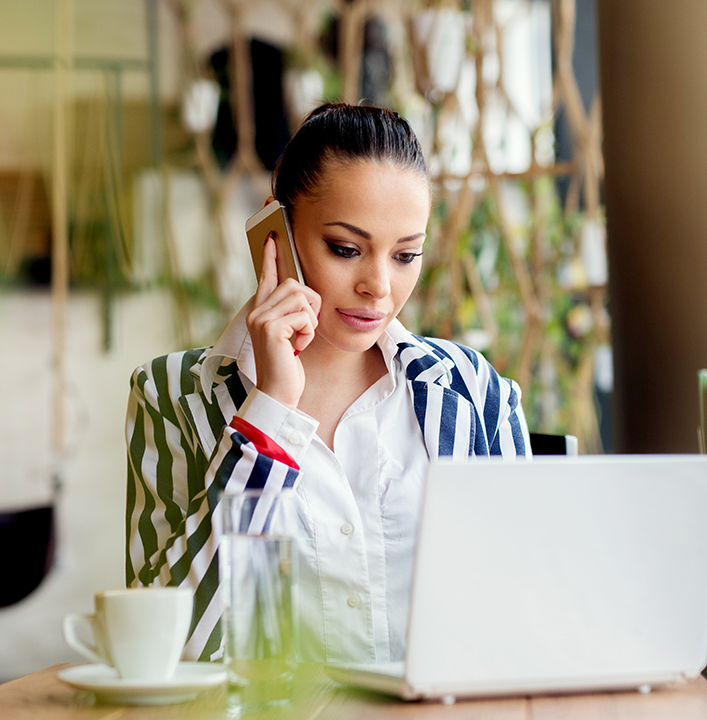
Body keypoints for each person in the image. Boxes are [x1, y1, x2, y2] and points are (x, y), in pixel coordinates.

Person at [125, 103, 531, 664]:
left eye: (406, 255)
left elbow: (527, 615)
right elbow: (166, 648)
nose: (379, 287)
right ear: (275, 235)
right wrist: (267, 413)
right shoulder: (172, 397)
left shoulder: (474, 393)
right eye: (345, 249)